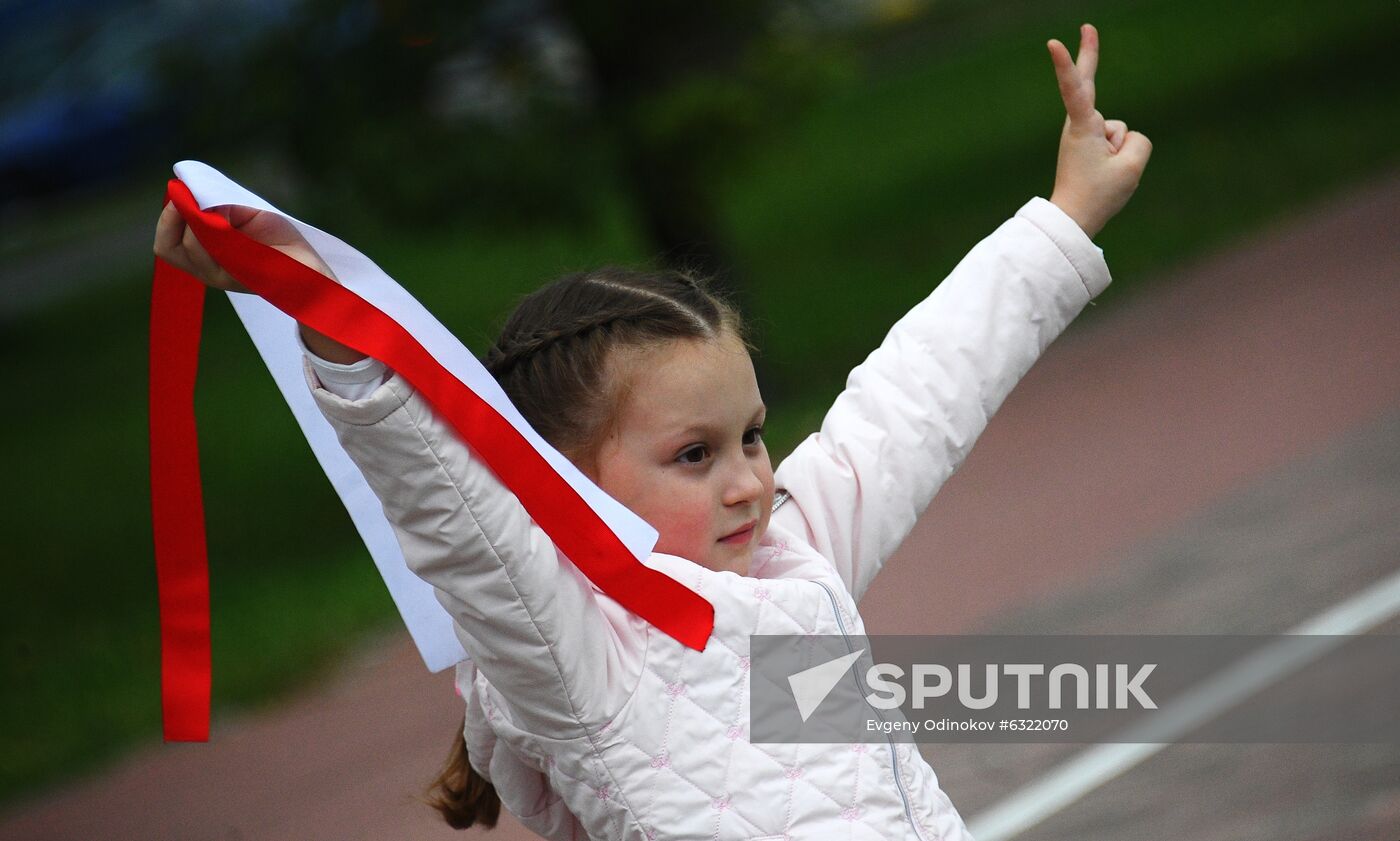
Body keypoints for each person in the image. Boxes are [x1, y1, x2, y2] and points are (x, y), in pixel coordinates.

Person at [154, 23, 1149, 839]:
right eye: (692, 454)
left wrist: (1062, 218)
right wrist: (324, 314)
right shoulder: (571, 649)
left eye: (749, 436)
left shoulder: (786, 555)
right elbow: (445, 502)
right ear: (567, 484)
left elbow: (918, 393)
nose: (747, 482)